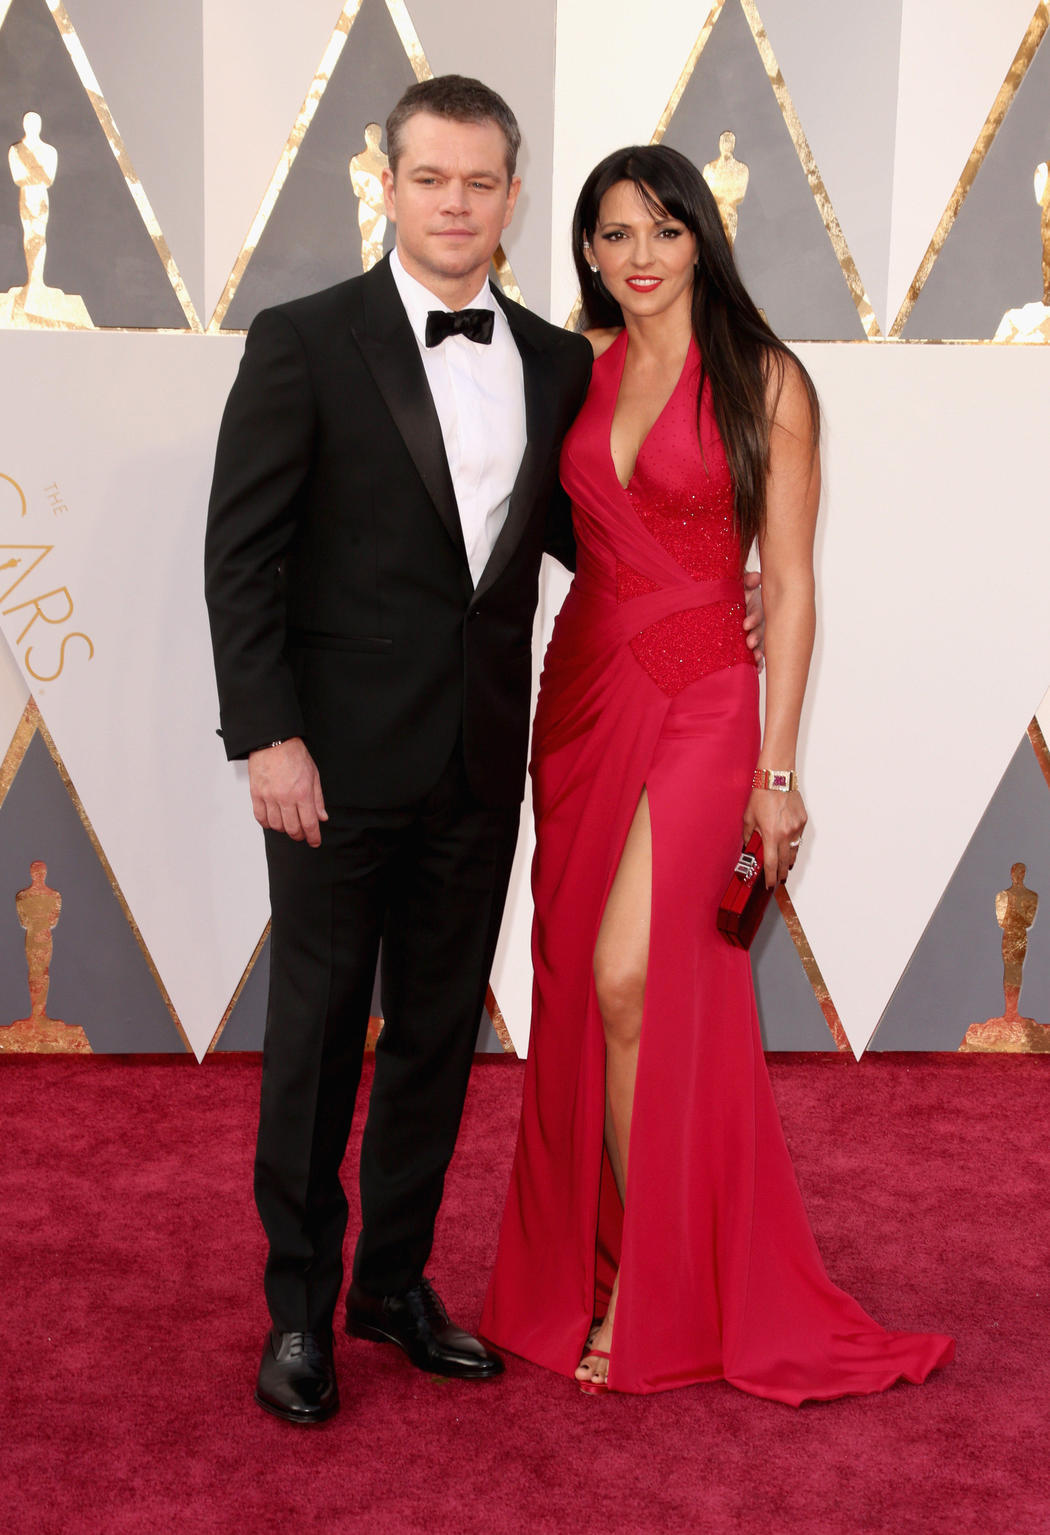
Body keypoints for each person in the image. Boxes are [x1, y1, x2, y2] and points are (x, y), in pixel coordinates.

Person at [481, 144, 955, 1402]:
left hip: (703, 701)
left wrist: (778, 769)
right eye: (615, 234)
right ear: (585, 250)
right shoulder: (567, 367)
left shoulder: (767, 379)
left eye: (663, 231)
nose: (640, 256)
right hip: (581, 691)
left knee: (634, 973)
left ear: (703, 238)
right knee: (582, 983)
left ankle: (653, 1280)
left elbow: (792, 582)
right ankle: (604, 1261)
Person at [204, 76, 597, 1425]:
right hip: (328, 764)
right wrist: (266, 732)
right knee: (315, 1036)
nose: (454, 203)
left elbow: (578, 534)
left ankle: (394, 1281)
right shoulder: (304, 339)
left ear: (511, 194)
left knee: (434, 1036)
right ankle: (300, 1308)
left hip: (480, 763)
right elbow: (241, 555)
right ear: (389, 182)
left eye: (480, 182)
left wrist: (719, 579)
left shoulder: (555, 358)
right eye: (430, 178)